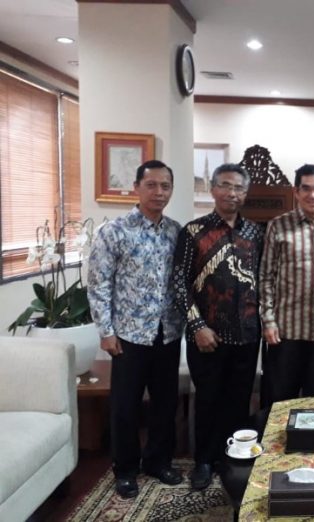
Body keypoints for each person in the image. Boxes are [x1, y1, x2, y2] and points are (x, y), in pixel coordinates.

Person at [87, 160, 184, 499]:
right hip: (128, 334)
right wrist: (106, 331)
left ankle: (158, 461)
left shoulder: (175, 232)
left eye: (165, 186)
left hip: (168, 332)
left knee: (165, 403)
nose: (159, 192)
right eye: (152, 185)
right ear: (137, 188)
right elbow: (99, 284)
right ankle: (125, 469)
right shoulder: (113, 231)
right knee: (126, 406)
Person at [173, 163, 263, 490]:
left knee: (239, 401)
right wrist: (197, 325)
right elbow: (179, 284)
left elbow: (264, 280)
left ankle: (234, 458)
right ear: (212, 189)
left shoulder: (256, 233)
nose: (232, 193)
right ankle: (204, 461)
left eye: (239, 188)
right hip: (206, 336)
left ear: (245, 194)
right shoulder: (193, 231)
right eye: (225, 185)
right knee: (208, 399)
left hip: (246, 334)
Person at [259, 164, 314, 402]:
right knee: (280, 399)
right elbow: (266, 276)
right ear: (296, 191)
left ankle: (311, 430)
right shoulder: (278, 225)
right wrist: (268, 321)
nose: (312, 195)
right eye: (306, 188)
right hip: (286, 330)